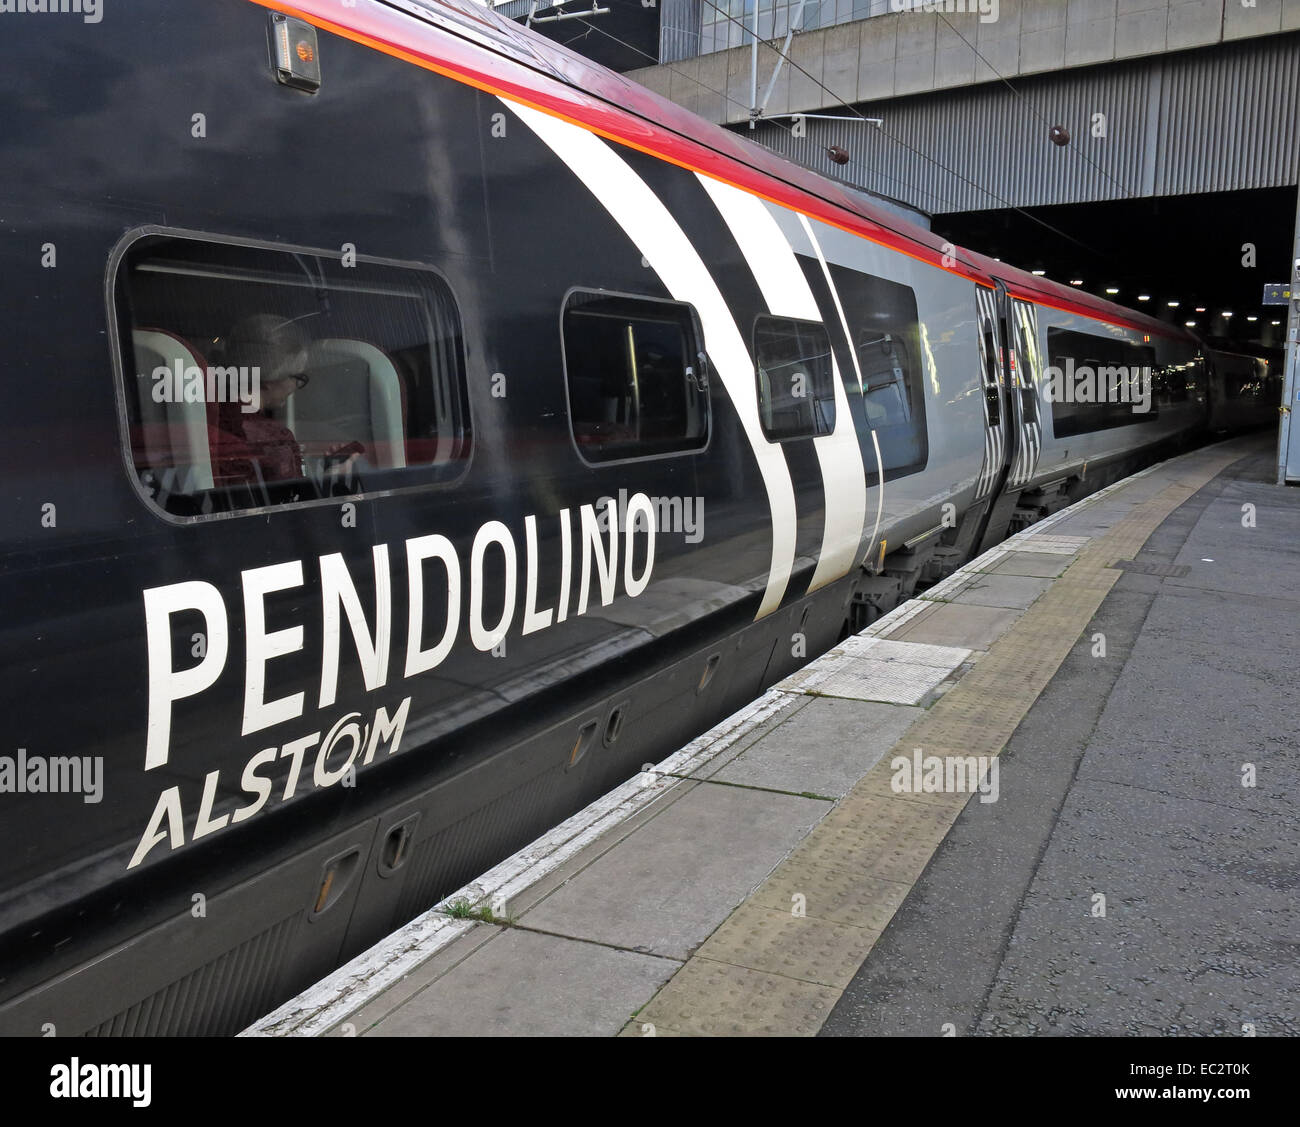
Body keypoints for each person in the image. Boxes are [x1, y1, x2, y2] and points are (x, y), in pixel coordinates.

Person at [209, 314, 358, 488]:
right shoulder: (273, 439)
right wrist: (329, 479)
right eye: (297, 376)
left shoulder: (211, 415)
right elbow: (292, 505)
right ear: (270, 377)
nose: (296, 386)